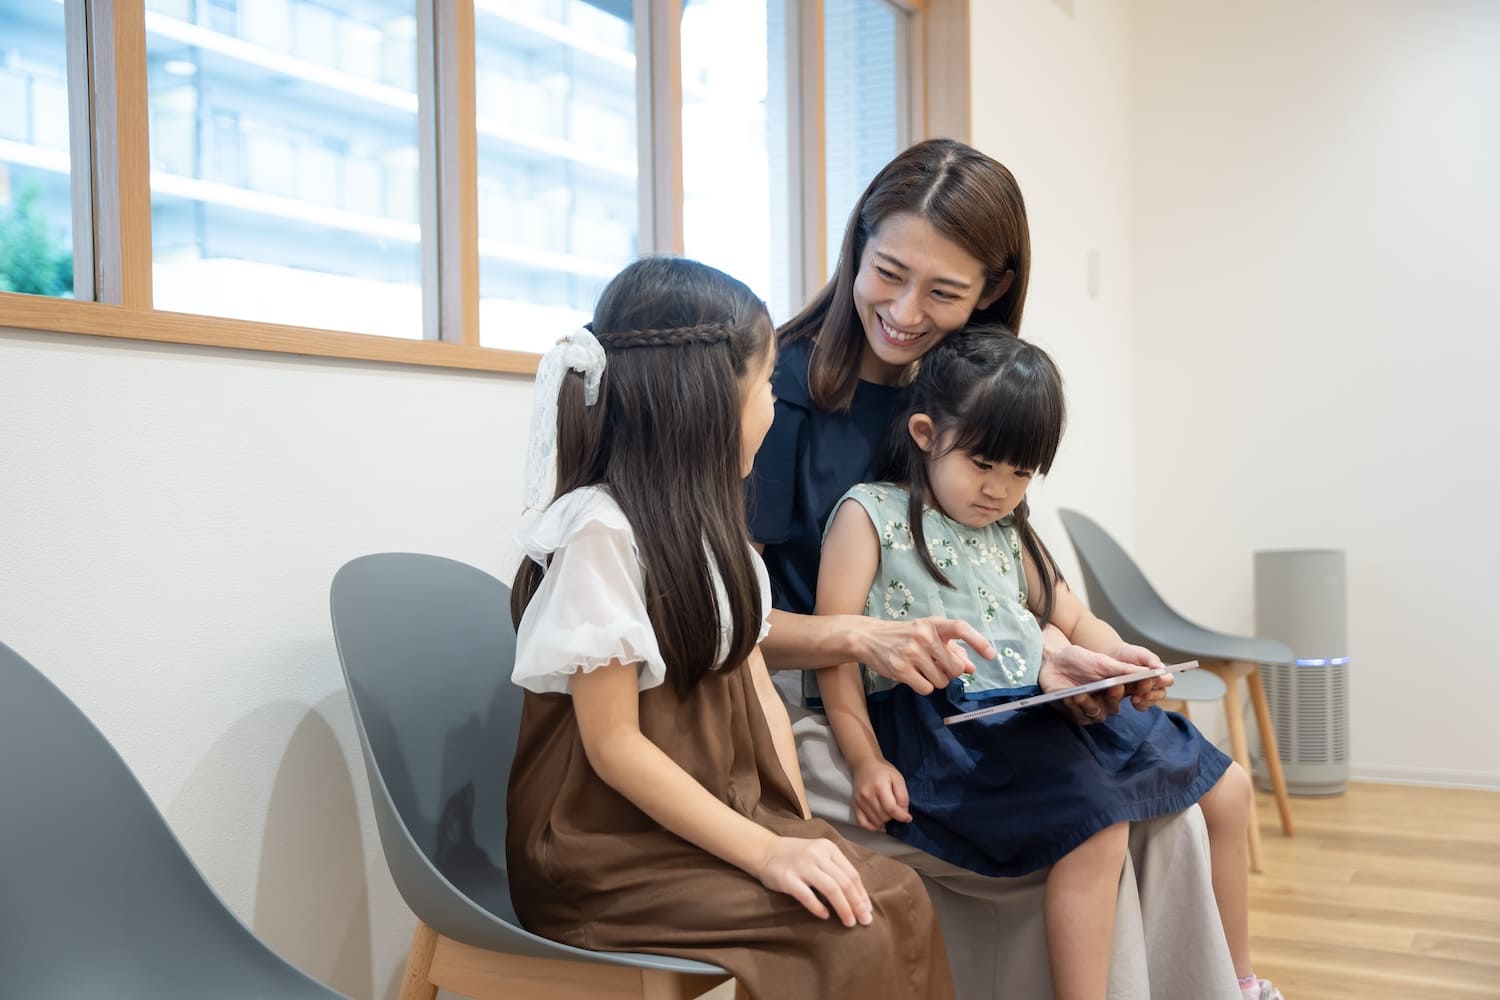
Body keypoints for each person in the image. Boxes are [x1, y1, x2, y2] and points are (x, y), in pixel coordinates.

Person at [749, 137, 1243, 1000]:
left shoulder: (965, 392)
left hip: (978, 692)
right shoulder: (777, 390)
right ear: (855, 248)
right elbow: (726, 622)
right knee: (1086, 825)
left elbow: (1019, 584)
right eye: (888, 273)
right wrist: (866, 641)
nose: (904, 312)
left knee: (1181, 816)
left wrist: (1076, 655)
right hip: (835, 705)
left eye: (943, 293)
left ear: (991, 294)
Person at [505, 256, 955, 1000]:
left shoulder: (723, 540)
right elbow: (614, 748)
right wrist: (767, 856)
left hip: (700, 821)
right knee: (846, 931)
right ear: (708, 405)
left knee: (895, 894)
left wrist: (802, 831)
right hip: (601, 853)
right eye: (766, 390)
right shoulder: (601, 535)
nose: (774, 411)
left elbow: (761, 698)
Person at [816, 331, 1280, 1000]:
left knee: (1230, 787)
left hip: (1036, 709)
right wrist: (863, 758)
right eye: (983, 464)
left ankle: (1239, 985)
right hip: (952, 728)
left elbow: (1074, 616)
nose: (1000, 490)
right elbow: (837, 651)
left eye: (1021, 473)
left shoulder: (1010, 532)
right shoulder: (872, 516)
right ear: (925, 432)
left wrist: (1117, 658)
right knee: (1094, 824)